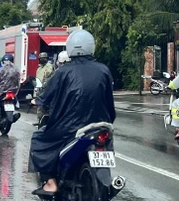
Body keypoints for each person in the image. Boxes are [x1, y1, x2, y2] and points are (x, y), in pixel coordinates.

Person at [29, 30, 115, 197]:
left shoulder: (63, 71)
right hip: (100, 125)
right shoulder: (104, 70)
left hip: (68, 127)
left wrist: (36, 101)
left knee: (38, 139)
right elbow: (109, 101)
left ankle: (51, 183)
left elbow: (46, 96)